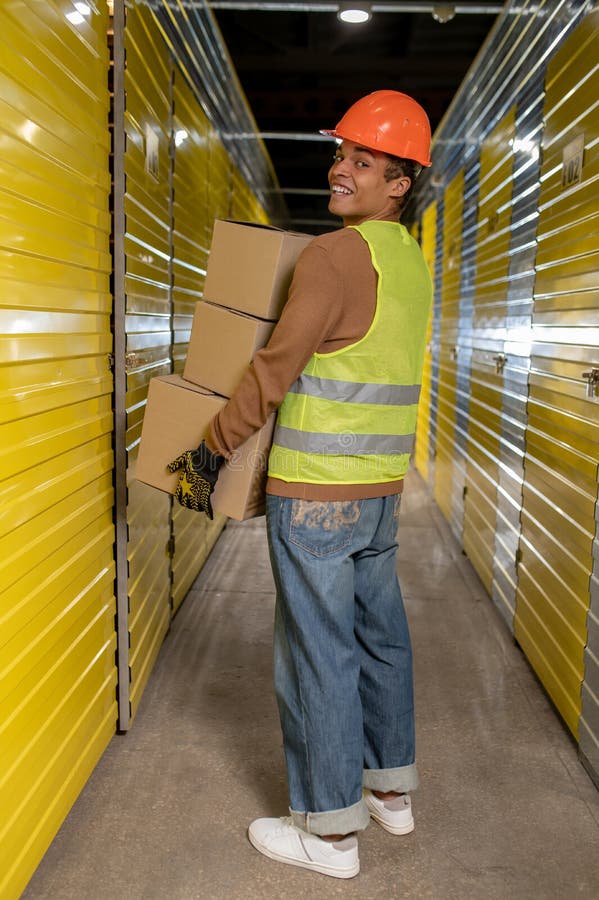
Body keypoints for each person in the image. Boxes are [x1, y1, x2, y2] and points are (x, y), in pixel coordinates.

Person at [168, 90, 433, 879]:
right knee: (379, 639)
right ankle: (390, 796)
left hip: (315, 495)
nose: (340, 169)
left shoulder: (333, 256)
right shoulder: (408, 265)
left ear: (400, 182)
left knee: (315, 655)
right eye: (341, 155)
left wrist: (208, 453)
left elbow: (273, 371)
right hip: (379, 494)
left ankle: (328, 835)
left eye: (363, 161)